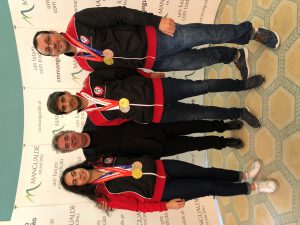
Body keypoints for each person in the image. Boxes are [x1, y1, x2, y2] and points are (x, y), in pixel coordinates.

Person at [33, 7, 280, 79]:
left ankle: (251, 33)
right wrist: (146, 75)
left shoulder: (79, 22)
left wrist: (156, 21)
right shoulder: (85, 65)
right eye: (48, 50)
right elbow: (121, 71)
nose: (52, 46)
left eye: (48, 40)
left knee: (207, 34)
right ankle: (235, 57)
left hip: (156, 36)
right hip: (157, 62)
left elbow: (120, 14)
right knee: (201, 59)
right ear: (52, 56)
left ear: (53, 33)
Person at [47, 68, 264, 128]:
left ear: (66, 93)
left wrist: (147, 76)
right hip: (160, 115)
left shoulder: (93, 80)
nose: (68, 104)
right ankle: (240, 113)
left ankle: (242, 85)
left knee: (203, 86)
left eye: (63, 100)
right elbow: (126, 119)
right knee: (203, 113)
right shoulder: (97, 119)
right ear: (66, 112)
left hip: (160, 89)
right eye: (64, 108)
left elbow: (124, 71)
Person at [61, 155, 278, 212]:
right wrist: (166, 206)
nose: (77, 176)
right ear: (79, 187)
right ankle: (254, 188)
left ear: (76, 167)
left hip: (162, 168)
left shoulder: (101, 160)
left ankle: (244, 175)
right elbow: (139, 206)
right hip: (163, 191)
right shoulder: (105, 197)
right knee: (208, 186)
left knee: (206, 172)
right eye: (74, 181)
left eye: (73, 173)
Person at [52, 117, 245, 160]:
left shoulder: (93, 120)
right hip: (152, 149)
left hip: (153, 126)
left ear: (69, 131)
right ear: (71, 150)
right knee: (194, 144)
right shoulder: (93, 159)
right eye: (68, 146)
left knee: (194, 125)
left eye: (67, 138)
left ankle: (224, 125)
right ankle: (224, 143)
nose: (71, 141)